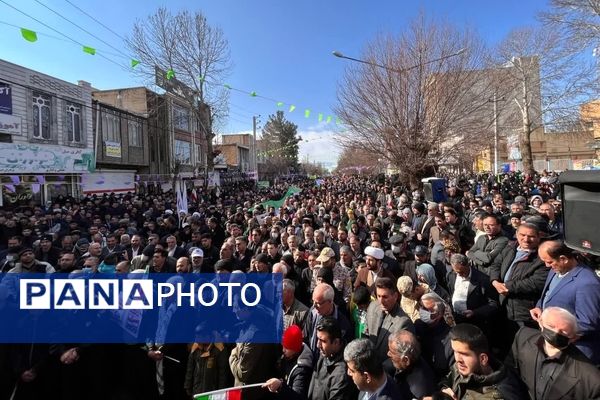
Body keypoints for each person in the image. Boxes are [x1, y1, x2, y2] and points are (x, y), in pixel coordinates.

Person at [530, 240, 600, 364]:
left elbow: (588, 322)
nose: (546, 265)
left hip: (575, 351)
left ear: (563, 259)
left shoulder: (587, 283)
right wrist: (539, 306)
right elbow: (549, 293)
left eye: (549, 261)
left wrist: (554, 329)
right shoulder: (555, 270)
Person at [507, 307, 600, 400]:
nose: (555, 333)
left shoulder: (591, 377)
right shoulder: (523, 337)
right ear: (540, 322)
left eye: (563, 332)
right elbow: (509, 374)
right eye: (551, 326)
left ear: (574, 338)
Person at [440, 323, 528, 400]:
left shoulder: (502, 394)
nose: (458, 359)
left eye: (464, 354)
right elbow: (447, 379)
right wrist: (444, 392)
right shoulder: (463, 367)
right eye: (455, 351)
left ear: (483, 359)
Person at [365, 277, 414, 362]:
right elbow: (367, 332)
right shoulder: (372, 307)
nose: (381, 301)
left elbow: (400, 356)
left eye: (385, 297)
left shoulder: (404, 323)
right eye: (378, 296)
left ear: (395, 296)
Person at [307, 317, 357, 400]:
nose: (318, 345)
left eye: (322, 341)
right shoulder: (326, 353)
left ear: (336, 342)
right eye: (317, 339)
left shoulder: (341, 374)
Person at [263, 325, 313, 399]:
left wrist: (280, 387)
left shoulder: (302, 371)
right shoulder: (289, 356)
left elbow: (298, 397)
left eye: (287, 348)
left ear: (295, 348)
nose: (283, 350)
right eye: (283, 346)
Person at [387, 329, 436, 399]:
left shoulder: (419, 392)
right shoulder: (408, 362)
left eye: (392, 352)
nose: (388, 354)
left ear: (406, 360)